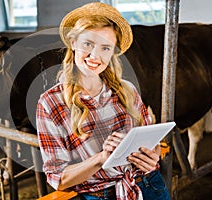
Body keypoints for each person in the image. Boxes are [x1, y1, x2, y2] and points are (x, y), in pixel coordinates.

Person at [36, 2, 170, 200]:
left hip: (150, 186)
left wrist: (152, 157)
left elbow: (152, 142)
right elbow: (59, 178)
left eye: (105, 48)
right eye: (88, 44)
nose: (95, 56)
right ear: (73, 43)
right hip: (102, 194)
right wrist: (101, 159)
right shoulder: (50, 103)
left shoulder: (127, 90)